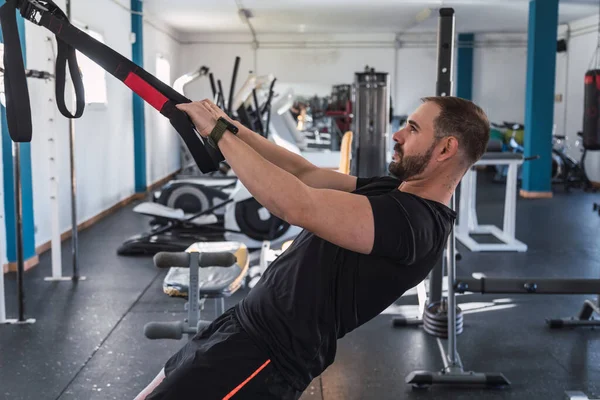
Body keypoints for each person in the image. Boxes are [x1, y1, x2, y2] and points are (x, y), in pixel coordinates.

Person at [135, 96, 491, 400]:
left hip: (261, 357)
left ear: (446, 149)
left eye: (412, 129)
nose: (397, 135)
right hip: (239, 327)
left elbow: (296, 204)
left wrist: (217, 133)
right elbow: (303, 173)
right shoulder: (396, 190)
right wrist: (229, 126)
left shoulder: (416, 224)